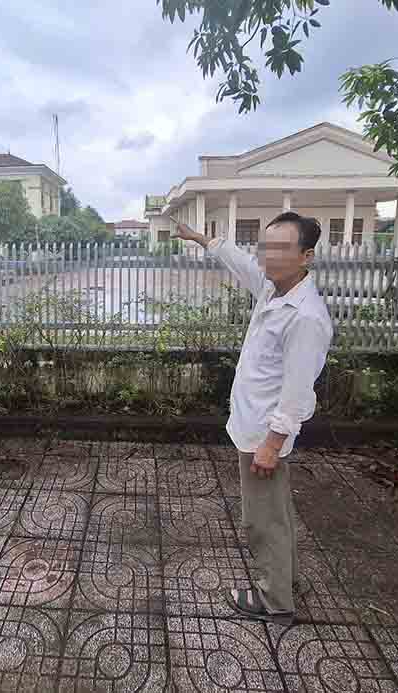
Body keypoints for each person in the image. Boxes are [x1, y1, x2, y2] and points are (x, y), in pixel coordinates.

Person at [171, 211, 333, 622]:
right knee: (275, 511)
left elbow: (298, 393)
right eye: (266, 245)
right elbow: (239, 261)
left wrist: (272, 445)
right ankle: (287, 577)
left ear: (306, 255)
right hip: (253, 427)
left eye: (282, 248)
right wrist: (198, 238)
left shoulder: (306, 316)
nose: (268, 255)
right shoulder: (272, 289)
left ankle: (274, 600)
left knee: (262, 520)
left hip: (265, 435)